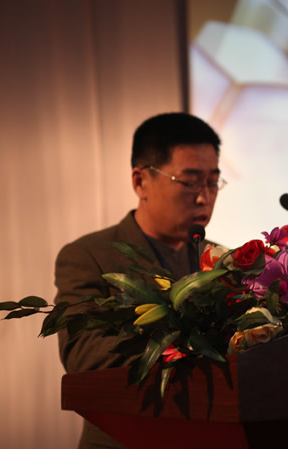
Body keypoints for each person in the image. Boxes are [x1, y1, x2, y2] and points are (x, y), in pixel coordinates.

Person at [54, 112, 224, 449]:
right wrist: (186, 348)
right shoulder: (90, 257)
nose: (204, 197)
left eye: (213, 182)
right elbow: (83, 353)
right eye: (190, 182)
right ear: (140, 181)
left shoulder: (222, 261)